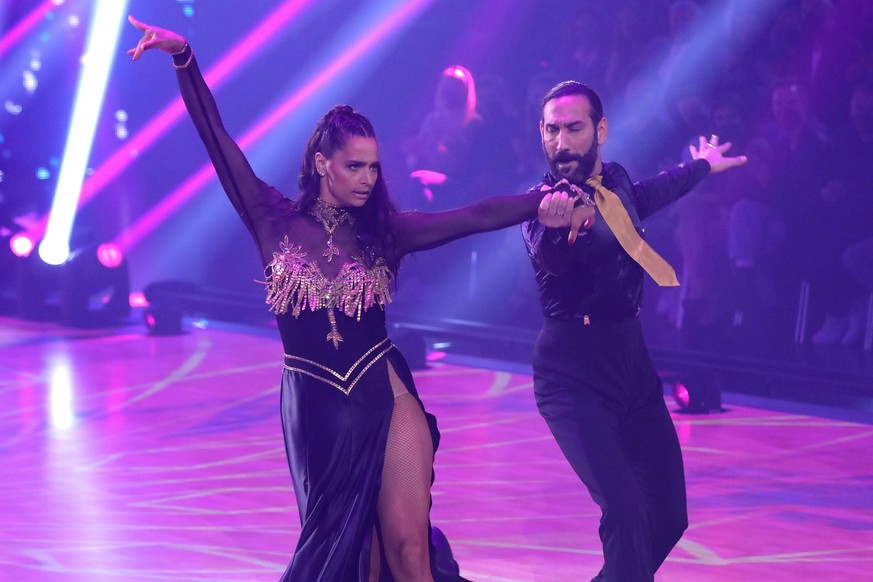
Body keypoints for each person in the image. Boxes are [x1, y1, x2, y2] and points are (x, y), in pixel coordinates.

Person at [126, 17, 592, 582]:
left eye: (374, 166)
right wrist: (184, 59)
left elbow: (474, 215)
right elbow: (215, 137)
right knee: (351, 560)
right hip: (314, 406)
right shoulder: (271, 219)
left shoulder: (386, 232)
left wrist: (545, 197)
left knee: (409, 549)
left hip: (383, 387)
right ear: (322, 163)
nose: (368, 178)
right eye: (354, 166)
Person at [521, 81, 746, 582]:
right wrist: (562, 231)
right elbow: (548, 259)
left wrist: (703, 165)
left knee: (668, 515)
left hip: (631, 364)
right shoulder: (542, 206)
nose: (562, 143)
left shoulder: (617, 181)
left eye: (574, 129)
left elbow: (649, 194)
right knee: (624, 513)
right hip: (570, 372)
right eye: (552, 130)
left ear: (599, 130)